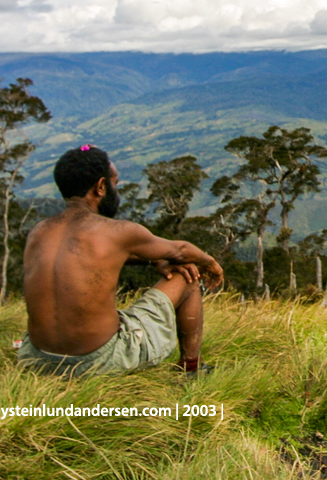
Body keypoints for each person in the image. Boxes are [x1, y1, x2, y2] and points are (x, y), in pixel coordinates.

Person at [17, 144, 224, 377]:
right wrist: (210, 263)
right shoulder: (118, 232)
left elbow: (85, 257)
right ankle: (191, 369)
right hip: (98, 360)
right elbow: (182, 251)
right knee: (187, 275)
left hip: (37, 359)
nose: (118, 188)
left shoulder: (39, 232)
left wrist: (152, 260)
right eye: (115, 182)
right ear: (101, 187)